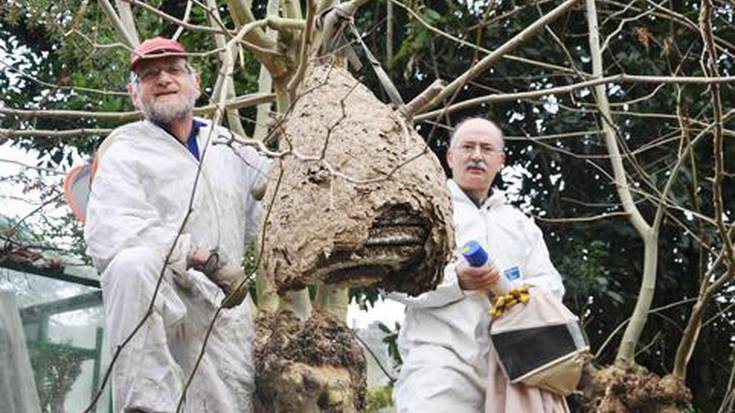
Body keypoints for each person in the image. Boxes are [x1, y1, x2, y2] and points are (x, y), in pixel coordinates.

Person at [84, 37, 269, 413]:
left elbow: (277, 205)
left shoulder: (231, 147)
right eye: (150, 74)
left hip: (225, 316)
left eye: (174, 70)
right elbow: (115, 234)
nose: (164, 79)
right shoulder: (125, 152)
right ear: (134, 95)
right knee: (130, 264)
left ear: (196, 82)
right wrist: (202, 257)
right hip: (158, 311)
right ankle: (145, 407)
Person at [390, 117, 566, 412]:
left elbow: (552, 286)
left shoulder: (520, 224)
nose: (476, 155)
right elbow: (394, 284)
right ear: (449, 157)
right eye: (467, 147)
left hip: (512, 369)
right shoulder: (424, 212)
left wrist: (517, 291)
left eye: (486, 148)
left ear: (501, 161)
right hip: (439, 363)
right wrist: (457, 281)